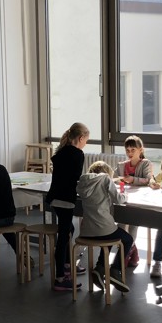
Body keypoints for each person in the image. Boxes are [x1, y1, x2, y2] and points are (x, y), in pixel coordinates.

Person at [46, 122, 89, 291]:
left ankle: (66, 265)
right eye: (86, 140)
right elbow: (76, 177)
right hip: (65, 199)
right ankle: (60, 278)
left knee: (69, 228)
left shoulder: (61, 152)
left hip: (55, 197)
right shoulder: (78, 154)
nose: (85, 144)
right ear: (81, 138)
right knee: (63, 236)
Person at [77, 161, 132, 293]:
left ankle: (100, 268)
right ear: (107, 173)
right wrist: (126, 195)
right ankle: (115, 270)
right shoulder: (106, 179)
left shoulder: (82, 182)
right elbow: (118, 199)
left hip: (86, 232)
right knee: (127, 239)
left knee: (108, 235)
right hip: (103, 229)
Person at [118, 135, 152, 268]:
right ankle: (130, 251)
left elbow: (148, 180)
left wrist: (133, 180)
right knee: (121, 226)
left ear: (140, 150)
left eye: (133, 150)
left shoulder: (145, 163)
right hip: (124, 200)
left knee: (133, 226)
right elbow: (115, 179)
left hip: (138, 201)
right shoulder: (122, 165)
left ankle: (125, 254)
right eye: (127, 150)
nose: (130, 153)